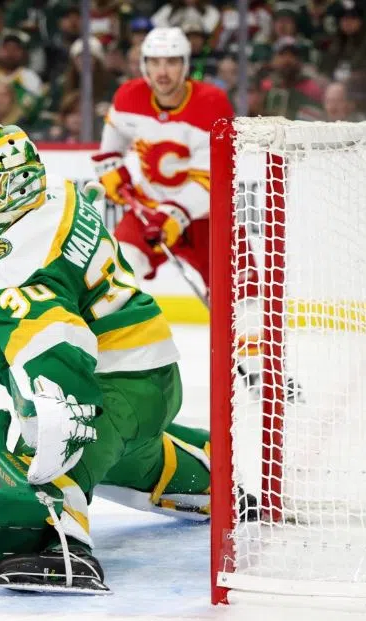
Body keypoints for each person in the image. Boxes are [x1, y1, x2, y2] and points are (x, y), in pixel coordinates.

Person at [0, 123, 216, 593]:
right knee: (132, 454)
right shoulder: (59, 197)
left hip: (114, 382)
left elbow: (59, 338)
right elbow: (63, 283)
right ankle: (213, 472)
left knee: (47, 459)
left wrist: (63, 410)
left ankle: (56, 547)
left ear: (18, 185)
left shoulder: (11, 263)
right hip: (154, 373)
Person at [91, 26, 270, 394]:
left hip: (208, 218)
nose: (163, 71)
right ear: (144, 65)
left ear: (186, 65)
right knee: (116, 273)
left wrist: (174, 214)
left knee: (245, 292)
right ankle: (107, 368)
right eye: (155, 62)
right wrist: (112, 172)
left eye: (172, 61)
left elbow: (215, 175)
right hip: (148, 212)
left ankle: (260, 374)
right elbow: (111, 146)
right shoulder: (128, 96)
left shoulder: (211, 103)